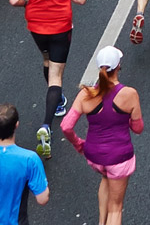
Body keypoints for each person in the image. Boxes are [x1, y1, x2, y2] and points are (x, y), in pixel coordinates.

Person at [11, 0, 88, 159]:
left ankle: (59, 100)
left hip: (36, 26)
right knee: (56, 74)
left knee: (46, 59)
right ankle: (46, 123)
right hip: (60, 27)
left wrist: (28, 2)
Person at [59, 46, 143, 225]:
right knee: (116, 208)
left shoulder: (86, 94)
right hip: (119, 158)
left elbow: (66, 126)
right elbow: (138, 128)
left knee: (106, 178)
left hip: (95, 157)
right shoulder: (129, 94)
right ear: (118, 66)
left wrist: (78, 143)